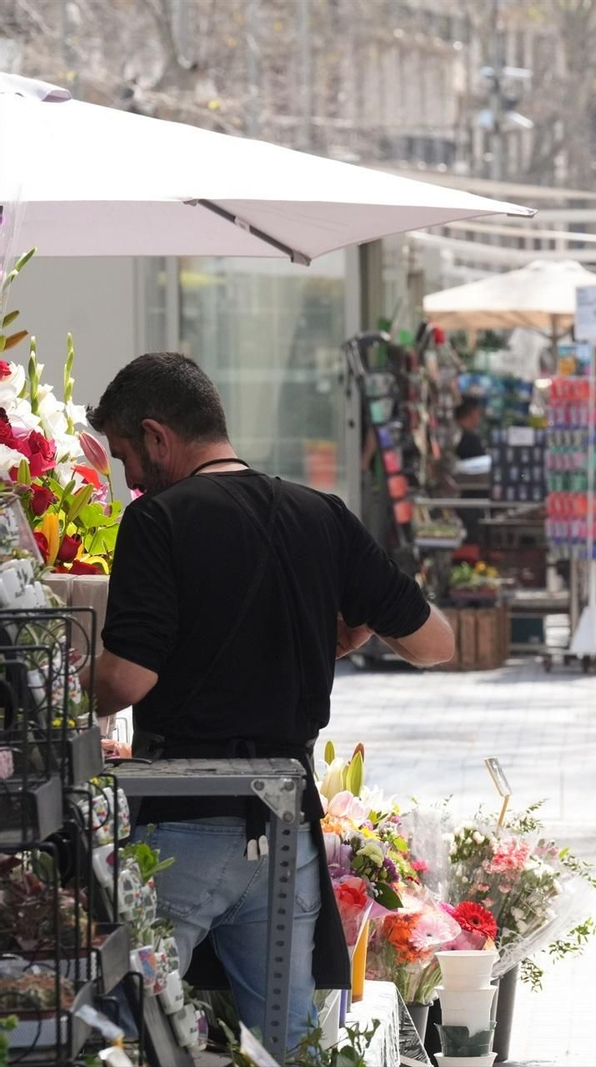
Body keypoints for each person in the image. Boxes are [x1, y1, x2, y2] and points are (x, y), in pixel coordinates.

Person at [88, 353, 456, 1048]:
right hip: (286, 830)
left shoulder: (159, 520)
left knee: (130, 1034)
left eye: (127, 455)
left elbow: (127, 681)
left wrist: (77, 677)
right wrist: (351, 620)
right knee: (284, 1046)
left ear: (157, 435)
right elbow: (436, 641)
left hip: (183, 825)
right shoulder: (321, 516)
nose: (129, 477)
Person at [454, 396, 487, 461]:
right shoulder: (471, 440)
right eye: (478, 412)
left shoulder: (452, 433)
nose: (479, 416)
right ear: (473, 412)